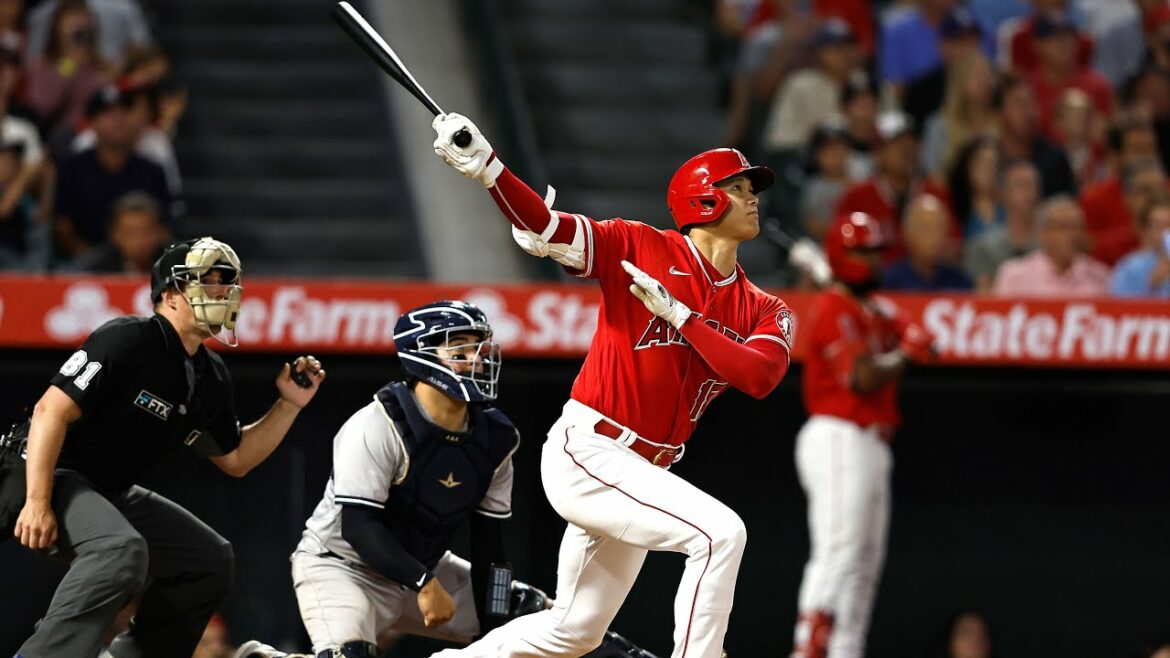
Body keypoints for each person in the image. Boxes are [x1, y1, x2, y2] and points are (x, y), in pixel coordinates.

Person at [429, 113, 794, 657]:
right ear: (702, 201)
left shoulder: (764, 307)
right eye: (736, 188)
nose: (751, 198)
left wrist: (681, 318)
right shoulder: (641, 246)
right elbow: (548, 230)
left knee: (572, 633)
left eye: (750, 189)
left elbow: (758, 376)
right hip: (593, 448)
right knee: (720, 534)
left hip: (648, 468)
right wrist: (489, 169)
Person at [0, 237, 326, 657]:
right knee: (120, 548)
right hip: (38, 469)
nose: (223, 292)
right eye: (208, 282)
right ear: (171, 295)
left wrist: (288, 405)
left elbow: (237, 459)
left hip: (105, 488)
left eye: (227, 283)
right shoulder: (131, 338)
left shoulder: (210, 375)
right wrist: (38, 500)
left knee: (207, 559)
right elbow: (49, 412)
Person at [791, 211, 935, 658]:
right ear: (841, 254)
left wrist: (907, 340)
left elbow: (921, 335)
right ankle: (807, 647)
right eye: (861, 252)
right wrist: (905, 354)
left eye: (874, 252)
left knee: (864, 564)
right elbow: (860, 377)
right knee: (839, 549)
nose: (870, 262)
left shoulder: (870, 309)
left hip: (872, 442)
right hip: (838, 433)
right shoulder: (833, 306)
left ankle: (845, 649)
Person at [54, 84, 171, 259]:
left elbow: (165, 226)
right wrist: (92, 260)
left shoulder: (152, 171)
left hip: (141, 264)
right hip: (84, 263)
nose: (119, 120)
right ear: (92, 123)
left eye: (125, 112)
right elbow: (62, 224)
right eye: (108, 114)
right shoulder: (73, 168)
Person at [834, 110, 953, 266]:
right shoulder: (856, 198)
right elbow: (841, 250)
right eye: (897, 144)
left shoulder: (936, 195)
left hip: (928, 285)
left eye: (912, 142)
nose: (907, 149)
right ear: (878, 153)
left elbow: (954, 245)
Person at [762, 18, 860, 153]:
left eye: (848, 46)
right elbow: (779, 137)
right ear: (820, 53)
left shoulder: (862, 82)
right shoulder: (799, 84)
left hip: (857, 159)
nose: (844, 53)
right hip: (808, 160)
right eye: (836, 48)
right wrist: (815, 135)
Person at [1079, 119, 1166, 266]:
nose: (1146, 156)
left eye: (1151, 148)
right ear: (1116, 157)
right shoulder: (1093, 200)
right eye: (1138, 149)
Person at [21, 0, 111, 142]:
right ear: (58, 26)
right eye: (71, 19)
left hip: (99, 132)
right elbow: (43, 106)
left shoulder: (100, 65)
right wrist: (69, 64)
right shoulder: (43, 65)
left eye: (82, 19)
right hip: (63, 133)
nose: (78, 25)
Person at [993, 195, 1110, 297]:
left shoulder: (1100, 277)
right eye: (1063, 227)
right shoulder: (1014, 276)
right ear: (1043, 234)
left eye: (1077, 227)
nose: (1072, 235)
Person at [1025, 11, 1114, 142]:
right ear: (1037, 44)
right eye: (1054, 37)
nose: (1064, 43)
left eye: (1069, 36)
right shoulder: (1027, 86)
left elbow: (1103, 138)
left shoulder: (1097, 86)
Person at [902, 6, 986, 134]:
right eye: (959, 41)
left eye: (972, 40)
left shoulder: (992, 86)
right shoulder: (922, 91)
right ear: (942, 45)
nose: (967, 49)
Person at [993, 71, 1077, 197]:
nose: (1029, 112)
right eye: (1019, 104)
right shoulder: (990, 161)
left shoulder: (1055, 159)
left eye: (1031, 103)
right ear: (999, 114)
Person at [964, 159, 1042, 291]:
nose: (1029, 193)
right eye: (1021, 185)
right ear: (1004, 194)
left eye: (1032, 186)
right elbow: (982, 297)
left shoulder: (1048, 246)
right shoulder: (983, 247)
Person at [920, 51, 997, 178]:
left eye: (988, 74)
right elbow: (931, 172)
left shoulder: (1002, 122)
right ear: (960, 81)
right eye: (978, 74)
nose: (985, 81)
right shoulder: (939, 125)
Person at [881, 194, 973, 291]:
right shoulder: (891, 282)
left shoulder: (960, 282)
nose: (936, 237)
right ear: (907, 234)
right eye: (927, 229)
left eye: (940, 229)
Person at [71, 190, 166, 273]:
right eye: (130, 233)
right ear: (114, 235)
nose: (139, 240)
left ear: (159, 233)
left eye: (146, 231)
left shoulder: (175, 263)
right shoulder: (93, 267)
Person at [1110, 199, 1170, 297]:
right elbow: (1117, 306)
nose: (1165, 232)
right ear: (1147, 231)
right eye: (1158, 226)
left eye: (1168, 225)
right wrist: (1150, 286)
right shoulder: (1129, 267)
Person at [946, 136, 1003, 238]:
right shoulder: (953, 212)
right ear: (968, 169)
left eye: (994, 165)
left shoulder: (1008, 208)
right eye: (984, 164)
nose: (990, 171)